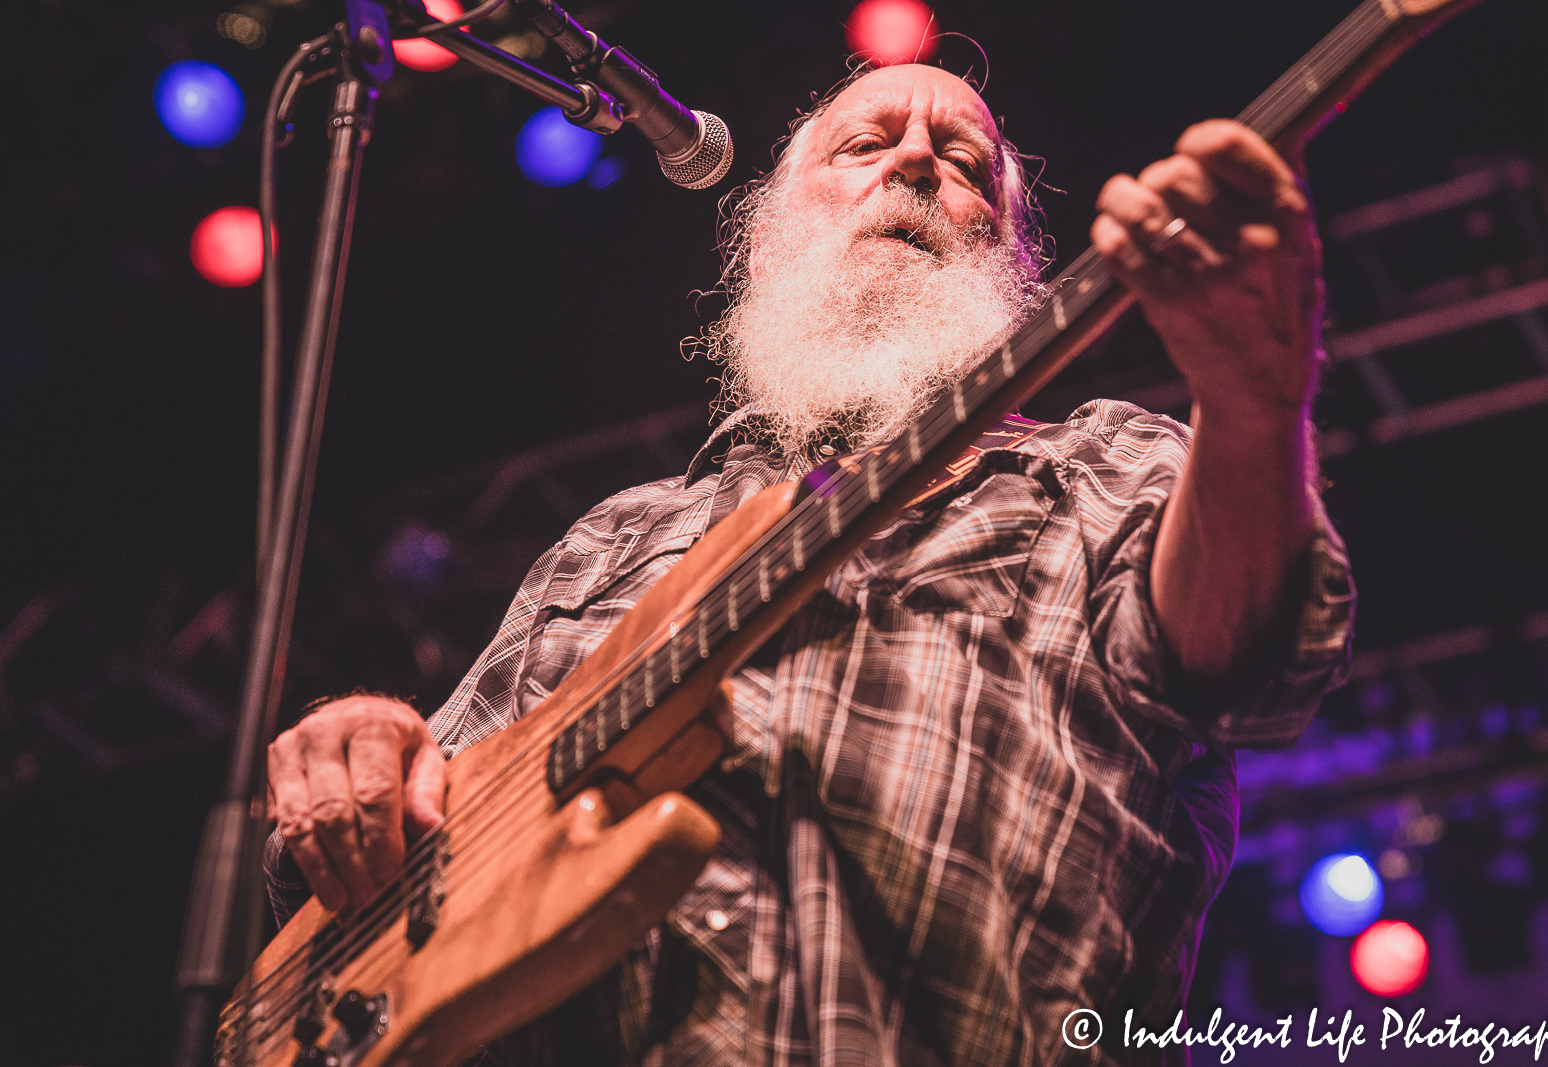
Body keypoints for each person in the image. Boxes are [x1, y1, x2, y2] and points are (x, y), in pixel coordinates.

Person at [263, 63, 1353, 1065]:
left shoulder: (1108, 468)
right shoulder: (615, 536)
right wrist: (362, 755)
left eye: (963, 162)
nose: (917, 160)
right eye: (863, 144)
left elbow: (1252, 659)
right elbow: (404, 870)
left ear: (1012, 255)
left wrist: (1257, 404)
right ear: (772, 236)